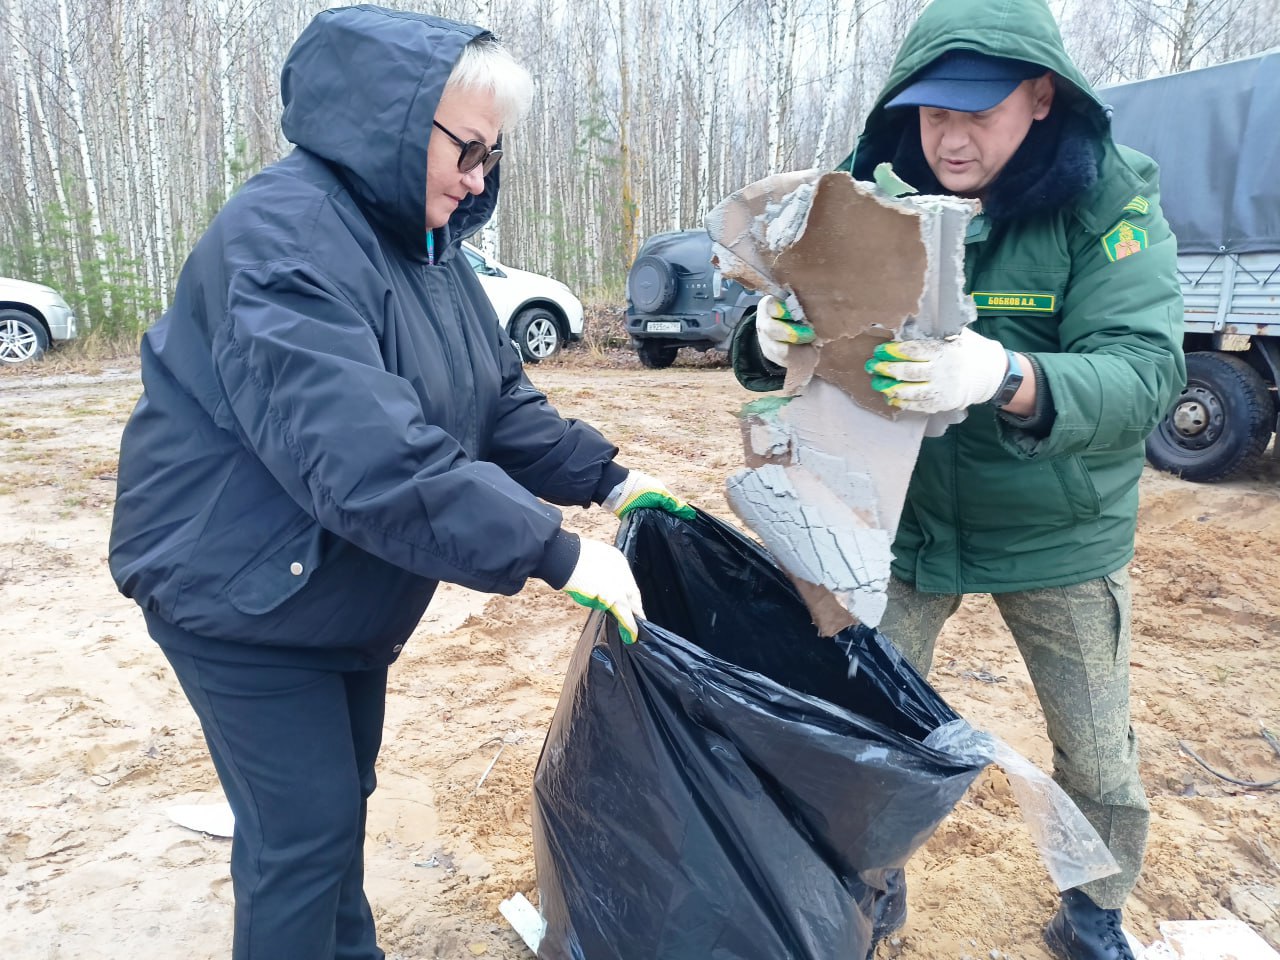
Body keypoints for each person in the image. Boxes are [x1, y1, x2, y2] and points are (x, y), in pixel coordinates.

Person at [108, 7, 688, 958]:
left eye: (492, 158)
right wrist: (550, 549)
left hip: (331, 589)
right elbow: (367, 456)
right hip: (238, 592)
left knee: (341, 807)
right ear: (391, 121)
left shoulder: (426, 249)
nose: (477, 179)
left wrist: (613, 480)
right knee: (300, 841)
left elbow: (494, 400)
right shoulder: (284, 240)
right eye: (467, 150)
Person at [730, 1, 1185, 958]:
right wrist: (766, 340)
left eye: (978, 110)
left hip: (1059, 530)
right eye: (935, 111)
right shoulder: (870, 193)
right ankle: (864, 890)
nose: (951, 134)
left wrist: (1007, 375)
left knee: (1098, 755)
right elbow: (796, 304)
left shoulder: (1109, 203)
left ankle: (1094, 912)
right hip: (902, 526)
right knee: (863, 732)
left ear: (1041, 96)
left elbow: (1145, 372)